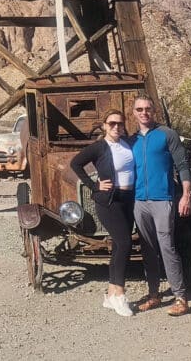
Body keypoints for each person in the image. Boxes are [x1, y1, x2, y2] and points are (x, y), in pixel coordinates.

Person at [69, 109, 136, 317]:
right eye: (112, 123)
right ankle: (120, 295)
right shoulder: (99, 147)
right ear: (105, 125)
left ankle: (110, 295)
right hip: (109, 201)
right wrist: (94, 185)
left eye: (120, 123)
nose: (116, 127)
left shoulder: (127, 143)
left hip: (128, 200)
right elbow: (75, 163)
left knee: (118, 245)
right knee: (125, 243)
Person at [130, 96, 191, 316]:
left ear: (154, 111)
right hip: (139, 201)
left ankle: (180, 297)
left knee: (167, 247)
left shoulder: (167, 134)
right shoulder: (131, 140)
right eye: (139, 109)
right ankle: (154, 294)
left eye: (147, 109)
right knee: (147, 249)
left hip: (163, 199)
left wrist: (186, 195)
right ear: (134, 113)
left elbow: (182, 165)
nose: (144, 112)